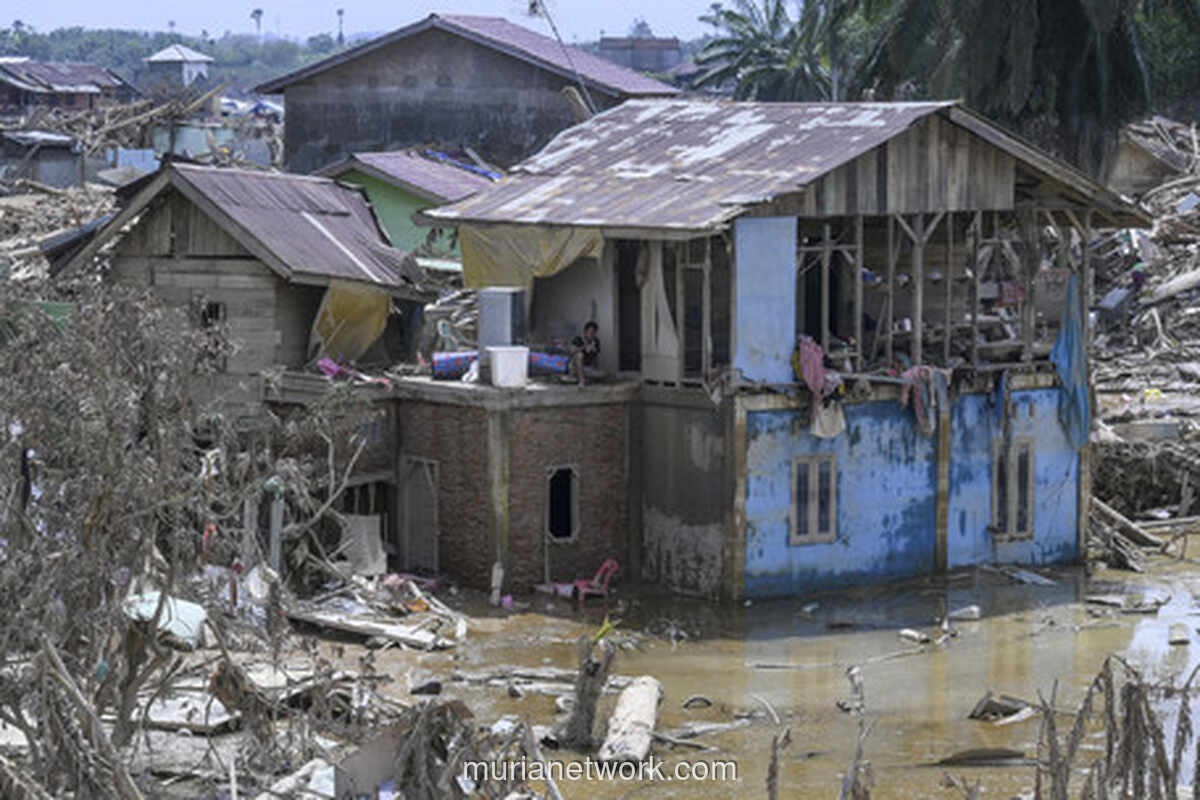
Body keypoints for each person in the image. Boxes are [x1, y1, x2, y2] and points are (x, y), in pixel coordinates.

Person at [566, 321, 601, 385]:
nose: (592, 334)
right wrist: (584, 347)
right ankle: (581, 381)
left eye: (594, 333)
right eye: (590, 332)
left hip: (587, 368)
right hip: (574, 367)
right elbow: (571, 351)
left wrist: (594, 349)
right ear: (585, 332)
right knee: (580, 355)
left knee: (599, 375)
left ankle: (586, 377)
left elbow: (598, 354)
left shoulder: (595, 341)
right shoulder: (578, 339)